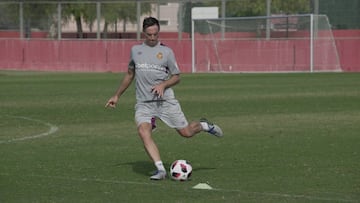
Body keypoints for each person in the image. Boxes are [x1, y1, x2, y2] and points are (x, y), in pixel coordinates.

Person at [105, 17, 223, 180]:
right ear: (144, 33)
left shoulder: (167, 52)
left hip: (165, 102)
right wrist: (117, 95)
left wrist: (163, 85)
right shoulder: (135, 51)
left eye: (155, 34)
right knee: (143, 131)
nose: (152, 38)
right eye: (149, 35)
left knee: (186, 133)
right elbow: (130, 74)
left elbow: (177, 77)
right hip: (144, 103)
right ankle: (160, 169)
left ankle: (203, 125)